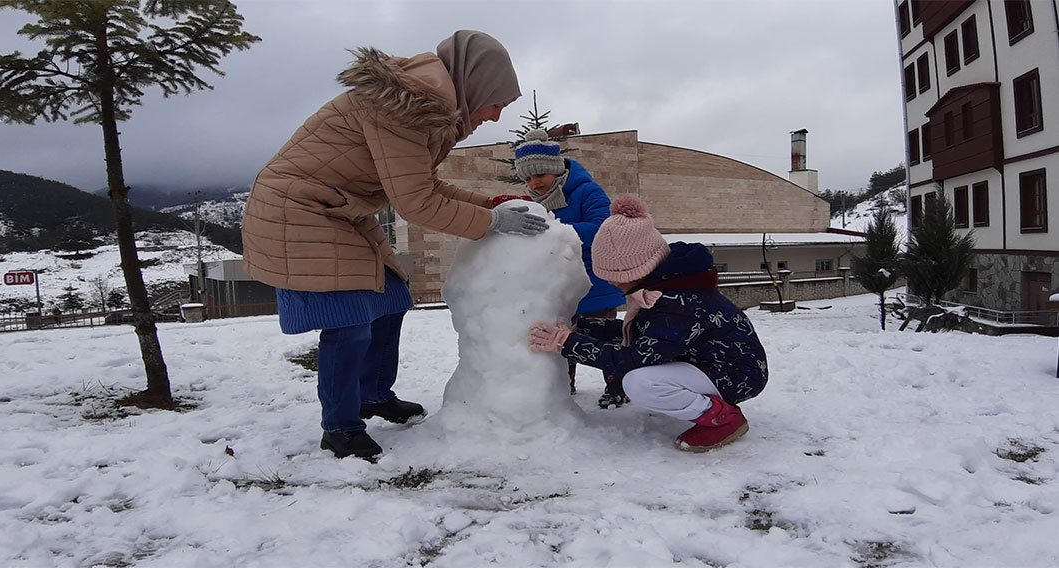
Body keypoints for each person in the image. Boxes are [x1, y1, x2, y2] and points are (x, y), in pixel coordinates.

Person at [242, 30, 548, 460]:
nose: (495, 116)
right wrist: (493, 221)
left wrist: (490, 202)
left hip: (340, 210)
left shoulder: (425, 110)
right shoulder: (403, 109)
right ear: (476, 85)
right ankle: (341, 428)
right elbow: (417, 203)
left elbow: (425, 183)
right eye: (496, 102)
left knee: (390, 300)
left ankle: (371, 394)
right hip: (298, 212)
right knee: (347, 322)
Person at [528, 195, 768, 452]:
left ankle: (722, 420)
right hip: (709, 363)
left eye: (616, 277)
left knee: (640, 383)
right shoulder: (668, 285)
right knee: (641, 375)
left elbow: (634, 357)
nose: (612, 283)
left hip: (736, 375)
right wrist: (583, 328)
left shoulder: (678, 305)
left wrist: (567, 343)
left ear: (637, 270)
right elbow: (642, 335)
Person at [511, 128, 627, 404]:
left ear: (555, 169)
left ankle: (617, 386)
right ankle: (565, 384)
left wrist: (554, 230)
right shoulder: (534, 202)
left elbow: (604, 229)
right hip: (556, 285)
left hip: (595, 283)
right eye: (527, 177)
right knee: (561, 336)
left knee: (603, 339)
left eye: (539, 174)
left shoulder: (587, 191)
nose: (534, 183)